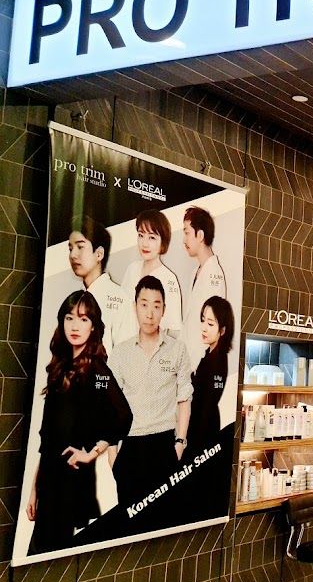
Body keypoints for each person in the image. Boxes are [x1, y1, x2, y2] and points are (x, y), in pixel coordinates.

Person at [25, 291, 132, 554]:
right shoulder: (60, 368)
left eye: (83, 319)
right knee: (40, 555)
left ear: (93, 325)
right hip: (49, 479)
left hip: (70, 482)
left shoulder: (97, 370)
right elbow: (47, 438)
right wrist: (33, 489)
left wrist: (92, 454)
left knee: (48, 558)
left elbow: (124, 416)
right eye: (69, 317)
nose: (75, 325)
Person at [110, 275, 193, 506]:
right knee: (129, 525)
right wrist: (112, 453)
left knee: (163, 519)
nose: (150, 313)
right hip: (130, 447)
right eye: (144, 304)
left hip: (164, 446)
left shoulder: (177, 350)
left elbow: (184, 399)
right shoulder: (120, 353)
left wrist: (179, 443)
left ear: (164, 309)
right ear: (134, 306)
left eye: (156, 306)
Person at [67, 216, 131, 353]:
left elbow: (125, 359)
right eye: (70, 248)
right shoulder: (73, 300)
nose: (73, 255)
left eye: (80, 247)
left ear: (99, 254)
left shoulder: (121, 298)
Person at [120, 210, 183, 336]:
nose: (145, 243)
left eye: (152, 237)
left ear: (163, 242)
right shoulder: (132, 269)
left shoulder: (169, 279)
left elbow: (174, 330)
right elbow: (120, 313)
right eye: (141, 235)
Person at [186, 296, 233, 463]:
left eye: (211, 324)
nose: (204, 328)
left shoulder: (218, 361)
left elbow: (208, 403)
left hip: (203, 435)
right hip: (199, 431)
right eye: (203, 320)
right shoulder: (208, 356)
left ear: (223, 330)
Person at [182, 206, 227, 366]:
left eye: (187, 233)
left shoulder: (214, 274)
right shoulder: (196, 271)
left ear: (199, 235)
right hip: (188, 361)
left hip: (201, 364)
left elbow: (212, 326)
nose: (184, 240)